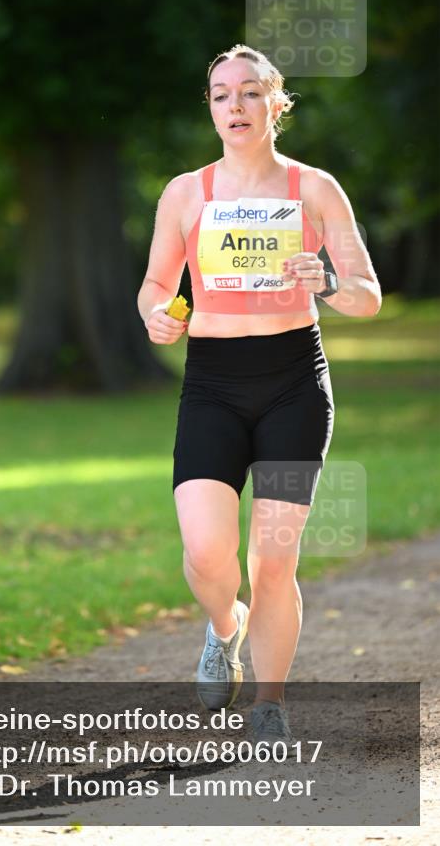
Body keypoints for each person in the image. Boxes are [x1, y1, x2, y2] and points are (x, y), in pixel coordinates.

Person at [137, 43, 381, 744]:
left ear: (277, 104)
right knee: (207, 553)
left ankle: (268, 702)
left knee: (272, 559)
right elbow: (157, 287)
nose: (235, 106)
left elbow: (366, 296)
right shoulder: (186, 193)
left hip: (292, 385)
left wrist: (327, 282)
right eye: (220, 95)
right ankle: (223, 626)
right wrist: (156, 314)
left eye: (249, 93)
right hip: (211, 385)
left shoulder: (313, 189)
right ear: (210, 108)